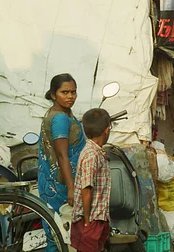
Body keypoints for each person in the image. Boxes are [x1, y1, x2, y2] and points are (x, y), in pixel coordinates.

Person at [38, 73, 86, 252]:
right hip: (61, 185)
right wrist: (72, 188)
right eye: (64, 92)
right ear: (53, 95)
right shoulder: (59, 119)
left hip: (54, 181)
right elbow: (62, 156)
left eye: (73, 92)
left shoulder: (62, 114)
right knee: (61, 235)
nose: (70, 96)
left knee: (59, 233)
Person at [70, 108, 112, 252]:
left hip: (97, 216)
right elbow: (86, 188)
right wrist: (87, 220)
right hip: (90, 218)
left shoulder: (97, 153)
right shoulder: (91, 155)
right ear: (107, 130)